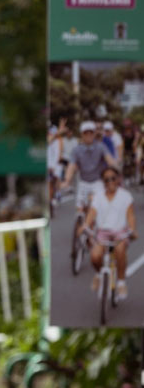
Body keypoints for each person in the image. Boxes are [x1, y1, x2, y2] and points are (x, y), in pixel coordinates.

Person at [85, 165, 137, 301]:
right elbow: (92, 213)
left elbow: (130, 216)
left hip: (120, 233)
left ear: (118, 179)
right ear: (103, 182)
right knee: (95, 256)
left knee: (120, 250)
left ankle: (121, 283)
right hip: (103, 233)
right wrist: (85, 225)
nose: (110, 182)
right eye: (106, 180)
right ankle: (98, 274)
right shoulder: (98, 197)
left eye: (113, 178)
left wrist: (132, 229)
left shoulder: (125, 196)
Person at [63, 120, 119, 244]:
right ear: (82, 134)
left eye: (90, 133)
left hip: (97, 182)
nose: (88, 135)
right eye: (85, 133)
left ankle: (91, 231)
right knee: (79, 210)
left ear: (94, 134)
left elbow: (109, 160)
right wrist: (66, 181)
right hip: (83, 182)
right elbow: (71, 166)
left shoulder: (100, 146)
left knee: (94, 204)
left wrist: (115, 168)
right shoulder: (77, 150)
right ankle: (78, 240)